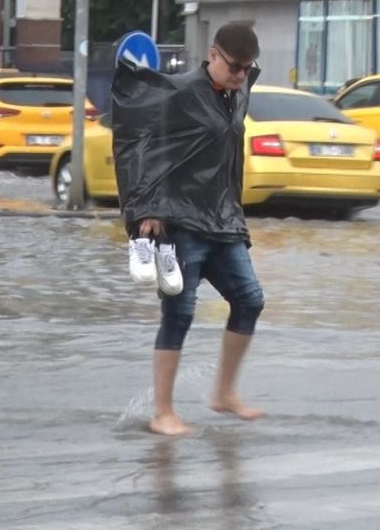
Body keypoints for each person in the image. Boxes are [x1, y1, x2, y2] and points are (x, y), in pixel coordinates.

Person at [111, 21, 266, 436]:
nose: (241, 75)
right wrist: (147, 207)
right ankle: (163, 412)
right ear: (213, 55)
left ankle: (224, 394)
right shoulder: (179, 93)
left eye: (248, 69)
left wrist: (233, 212)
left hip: (222, 218)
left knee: (250, 299)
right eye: (235, 66)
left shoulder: (238, 92)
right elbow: (140, 144)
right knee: (179, 312)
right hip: (178, 220)